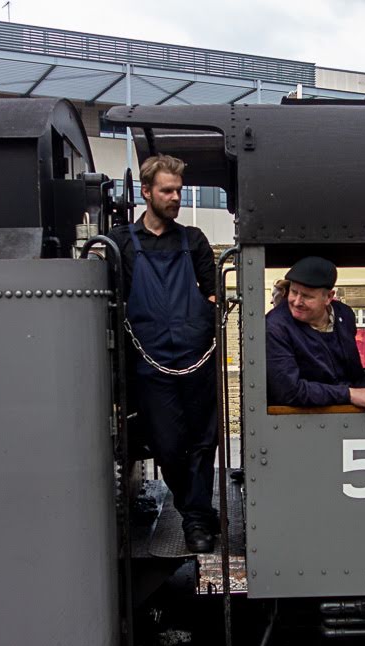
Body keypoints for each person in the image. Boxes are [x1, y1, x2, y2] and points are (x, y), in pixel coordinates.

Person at [110, 155, 219, 554]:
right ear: (146, 192)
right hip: (150, 365)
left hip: (197, 360)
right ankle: (198, 512)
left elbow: (213, 295)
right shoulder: (121, 243)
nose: (175, 197)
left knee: (204, 441)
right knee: (169, 445)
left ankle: (195, 520)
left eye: (178, 190)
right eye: (167, 191)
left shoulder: (194, 240)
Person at [266, 256, 365, 419]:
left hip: (351, 388)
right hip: (307, 403)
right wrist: (349, 395)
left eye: (307, 296)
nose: (297, 302)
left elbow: (355, 375)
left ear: (329, 297)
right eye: (294, 292)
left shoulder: (344, 315)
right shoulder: (276, 327)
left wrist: (358, 392)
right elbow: (289, 391)